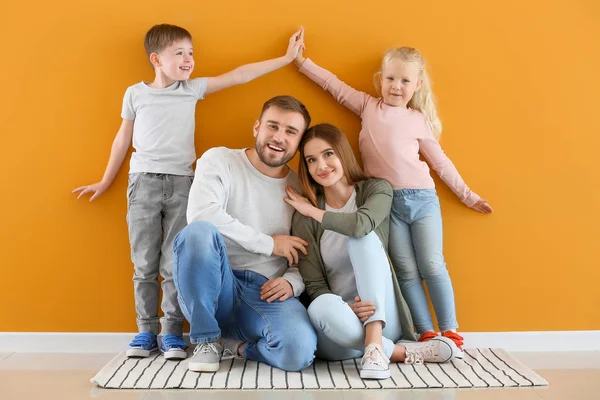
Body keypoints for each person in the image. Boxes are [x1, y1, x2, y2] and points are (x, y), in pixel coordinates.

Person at [72, 24, 305, 360]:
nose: (188, 59)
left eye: (191, 53)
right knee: (144, 262)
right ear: (156, 59)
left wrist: (285, 58)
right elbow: (122, 139)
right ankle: (144, 331)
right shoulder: (135, 94)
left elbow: (239, 76)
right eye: (179, 53)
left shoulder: (191, 89)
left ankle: (171, 333)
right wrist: (106, 181)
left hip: (183, 181)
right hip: (143, 182)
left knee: (172, 261)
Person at [293, 43, 493, 357]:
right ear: (380, 80)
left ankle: (450, 329)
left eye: (404, 81)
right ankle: (425, 332)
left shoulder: (417, 120)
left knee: (432, 264)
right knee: (406, 270)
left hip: (422, 199)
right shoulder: (367, 107)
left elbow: (440, 163)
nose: (395, 87)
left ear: (417, 85)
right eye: (389, 79)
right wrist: (303, 62)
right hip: (386, 206)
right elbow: (334, 86)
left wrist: (467, 195)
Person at [287, 123, 460, 380]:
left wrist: (312, 210)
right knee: (318, 307)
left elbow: (359, 225)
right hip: (340, 328)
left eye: (328, 154)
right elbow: (314, 284)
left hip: (384, 315)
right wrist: (346, 308)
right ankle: (395, 352)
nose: (321, 166)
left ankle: (376, 339)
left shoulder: (376, 190)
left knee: (363, 240)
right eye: (311, 160)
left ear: (343, 152)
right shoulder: (303, 221)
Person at [173, 95, 317, 373]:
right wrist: (268, 244)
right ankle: (206, 340)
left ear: (299, 143)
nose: (279, 137)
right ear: (257, 128)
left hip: (265, 293)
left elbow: (307, 251)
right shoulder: (219, 160)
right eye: (272, 126)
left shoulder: (301, 189)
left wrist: (293, 282)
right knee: (198, 233)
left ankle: (233, 346)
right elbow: (202, 214)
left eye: (291, 132)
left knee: (297, 351)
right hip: (215, 284)